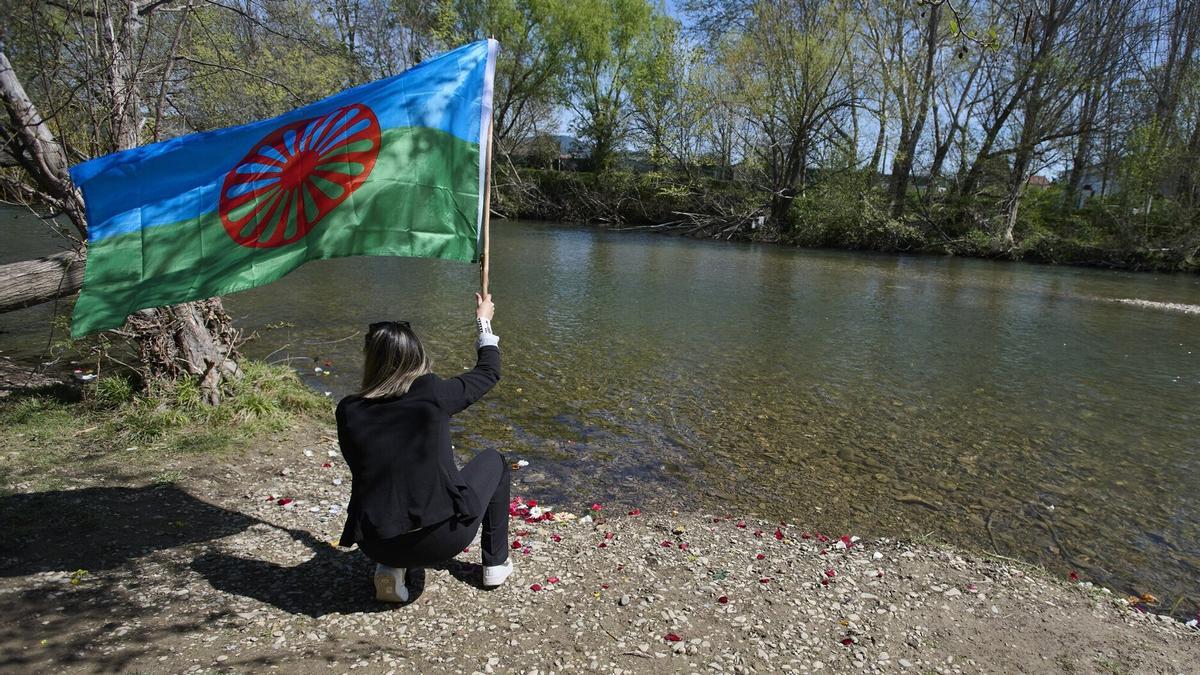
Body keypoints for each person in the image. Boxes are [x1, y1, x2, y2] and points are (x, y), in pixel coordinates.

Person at [336, 292, 510, 603]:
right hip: (441, 541)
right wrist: (484, 322)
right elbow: (488, 372)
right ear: (416, 356)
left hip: (376, 542)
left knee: (392, 485)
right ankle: (495, 563)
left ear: (370, 360)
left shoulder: (349, 410)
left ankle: (390, 568)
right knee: (494, 461)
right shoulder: (431, 394)